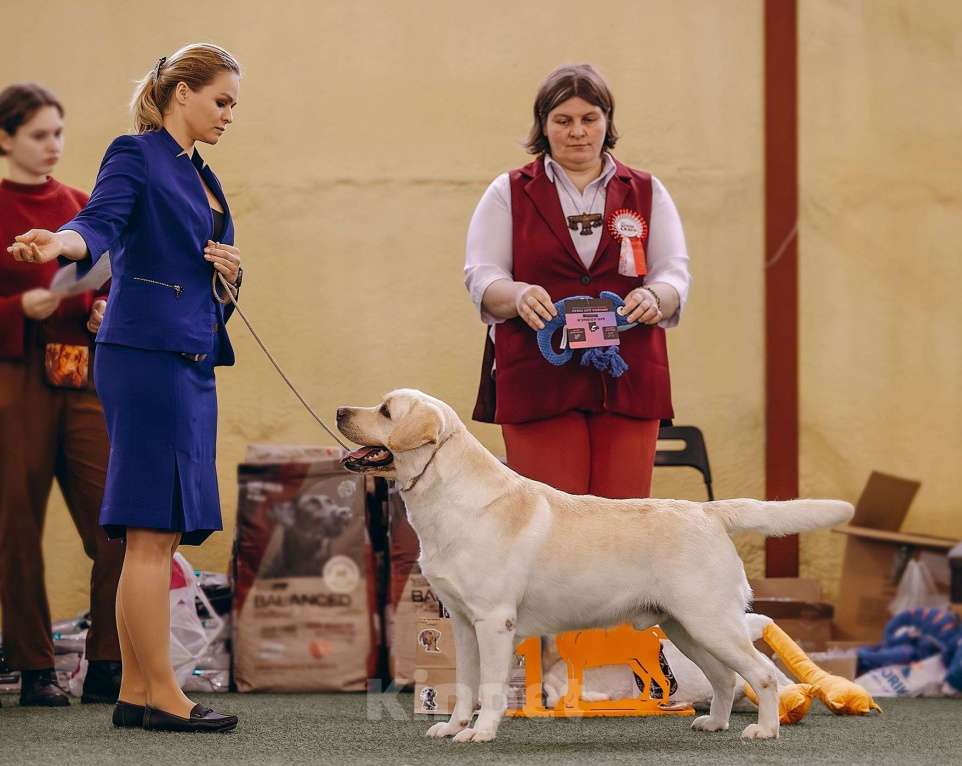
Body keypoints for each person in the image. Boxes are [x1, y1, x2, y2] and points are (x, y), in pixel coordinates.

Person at [7, 44, 244, 732]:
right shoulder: (135, 154)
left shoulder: (201, 172)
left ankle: (139, 691)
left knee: (158, 536)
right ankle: (165, 693)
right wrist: (60, 242)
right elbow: (99, 224)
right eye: (221, 101)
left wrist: (231, 270)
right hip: (145, 355)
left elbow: (192, 259)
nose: (229, 115)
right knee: (148, 531)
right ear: (182, 94)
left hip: (189, 353)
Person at [465, 63, 691, 500]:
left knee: (623, 524)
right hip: (538, 376)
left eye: (590, 118)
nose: (578, 132)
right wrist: (518, 294)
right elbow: (482, 274)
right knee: (551, 524)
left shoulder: (647, 190)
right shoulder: (507, 191)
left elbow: (673, 270)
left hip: (628, 375)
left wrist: (657, 295)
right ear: (543, 126)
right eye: (563, 120)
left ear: (607, 122)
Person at [0, 82, 123, 708]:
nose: (53, 146)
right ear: (6, 139)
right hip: (13, 380)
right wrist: (20, 305)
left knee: (114, 521)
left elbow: (107, 284)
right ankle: (34, 668)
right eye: (38, 135)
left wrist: (104, 310)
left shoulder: (80, 206)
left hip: (82, 377)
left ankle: (107, 659)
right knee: (15, 526)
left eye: (59, 133)